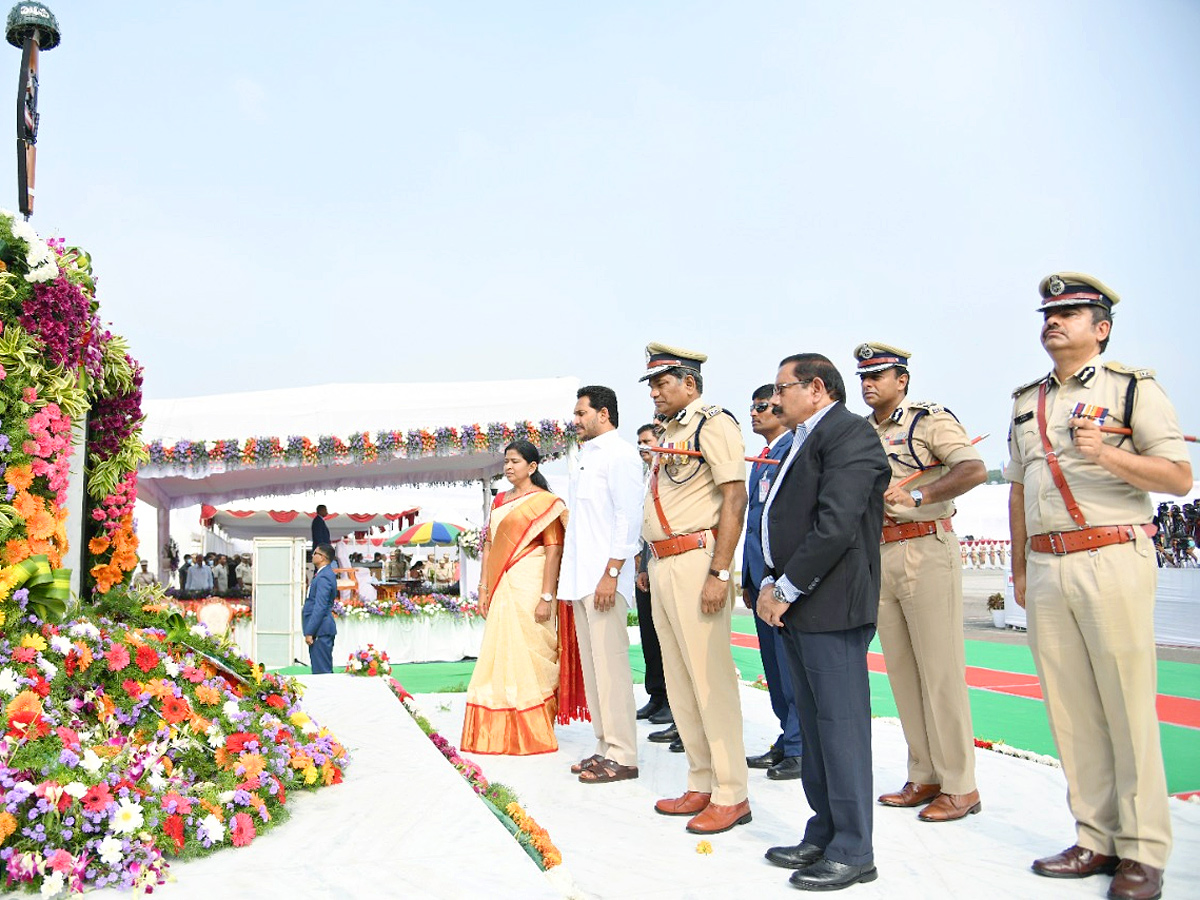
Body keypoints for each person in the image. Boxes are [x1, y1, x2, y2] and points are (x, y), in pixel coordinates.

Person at [1008, 273, 1191, 900]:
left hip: (1111, 553)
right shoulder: (1025, 400)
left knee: (1126, 706)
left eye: (1069, 313)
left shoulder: (1133, 389)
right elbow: (1017, 487)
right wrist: (1021, 566)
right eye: (1048, 313)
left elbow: (1176, 476)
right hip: (1048, 563)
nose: (1052, 322)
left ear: (1101, 327)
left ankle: (1142, 852)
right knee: (1070, 709)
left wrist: (1108, 454)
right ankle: (1095, 837)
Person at [757, 352, 890, 892]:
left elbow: (835, 526)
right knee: (814, 728)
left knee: (842, 729)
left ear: (815, 388)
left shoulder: (849, 434)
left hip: (829, 605)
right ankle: (825, 830)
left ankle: (854, 848)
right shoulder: (802, 438)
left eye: (780, 388)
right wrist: (769, 582)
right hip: (797, 606)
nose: (773, 399)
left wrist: (784, 588)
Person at [855, 342, 988, 823]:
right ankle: (924, 773)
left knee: (941, 672)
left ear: (902, 380)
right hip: (880, 551)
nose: (868, 383)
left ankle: (961, 784)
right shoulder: (860, 431)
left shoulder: (927, 420)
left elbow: (972, 468)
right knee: (903, 673)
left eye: (878, 374)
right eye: (863, 375)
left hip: (925, 547)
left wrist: (922, 493)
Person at [639, 343, 751, 836]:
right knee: (680, 678)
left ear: (690, 383)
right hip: (665, 563)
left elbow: (735, 495)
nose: (656, 393)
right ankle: (701, 780)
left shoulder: (714, 423)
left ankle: (732, 792)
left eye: (663, 383)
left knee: (710, 678)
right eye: (653, 385)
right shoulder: (670, 431)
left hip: (697, 560)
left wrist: (720, 571)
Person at [559, 385, 645, 783]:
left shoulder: (621, 455)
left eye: (581, 414)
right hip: (581, 581)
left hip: (603, 580)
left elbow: (628, 519)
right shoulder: (583, 459)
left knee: (611, 669)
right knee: (594, 672)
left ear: (603, 414)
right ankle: (604, 746)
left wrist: (611, 573)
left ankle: (624, 754)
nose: (575, 421)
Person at [461, 440, 568, 755]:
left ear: (532, 467)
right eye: (506, 462)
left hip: (532, 583)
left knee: (532, 649)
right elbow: (490, 546)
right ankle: (499, 729)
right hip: (502, 585)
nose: (508, 467)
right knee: (500, 653)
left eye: (515, 461)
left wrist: (547, 595)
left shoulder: (546, 502)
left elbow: (554, 550)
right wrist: (483, 587)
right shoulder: (498, 502)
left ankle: (533, 727)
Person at [742, 384, 802, 781]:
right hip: (759, 577)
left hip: (781, 580)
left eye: (762, 406)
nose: (755, 413)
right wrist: (749, 579)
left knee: (790, 669)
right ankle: (788, 737)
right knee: (774, 670)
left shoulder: (791, 450)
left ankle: (800, 746)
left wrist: (776, 580)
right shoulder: (764, 456)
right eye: (753, 407)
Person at [634, 423, 674, 736]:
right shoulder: (642, 478)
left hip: (668, 561)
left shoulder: (669, 474)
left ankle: (673, 703)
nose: (643, 447)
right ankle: (656, 694)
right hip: (646, 562)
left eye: (647, 441)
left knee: (667, 637)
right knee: (649, 633)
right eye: (640, 442)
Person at [303, 543, 338, 674]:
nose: (312, 556)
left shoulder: (324, 576)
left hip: (321, 629)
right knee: (320, 668)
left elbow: (320, 606)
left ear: (322, 557)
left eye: (315, 553)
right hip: (321, 628)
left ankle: (327, 694)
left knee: (322, 671)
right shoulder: (323, 574)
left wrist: (310, 631)